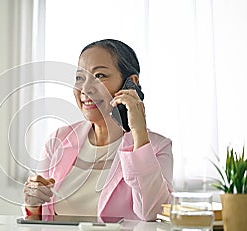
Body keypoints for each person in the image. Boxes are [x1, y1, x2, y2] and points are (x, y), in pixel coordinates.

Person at [23, 39, 173, 221]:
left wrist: (138, 132)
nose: (85, 89)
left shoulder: (157, 147)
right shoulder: (58, 140)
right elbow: (38, 221)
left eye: (100, 75)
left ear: (130, 83)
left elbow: (153, 212)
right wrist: (32, 204)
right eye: (80, 78)